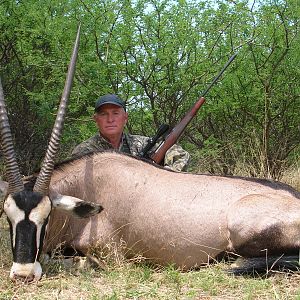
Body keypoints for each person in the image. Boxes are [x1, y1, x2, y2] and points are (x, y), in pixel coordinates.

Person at [71, 94, 190, 171]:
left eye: (115, 113)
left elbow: (180, 154)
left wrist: (167, 172)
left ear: (125, 118)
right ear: (96, 119)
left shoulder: (141, 143)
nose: (110, 119)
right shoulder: (83, 152)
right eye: (104, 114)